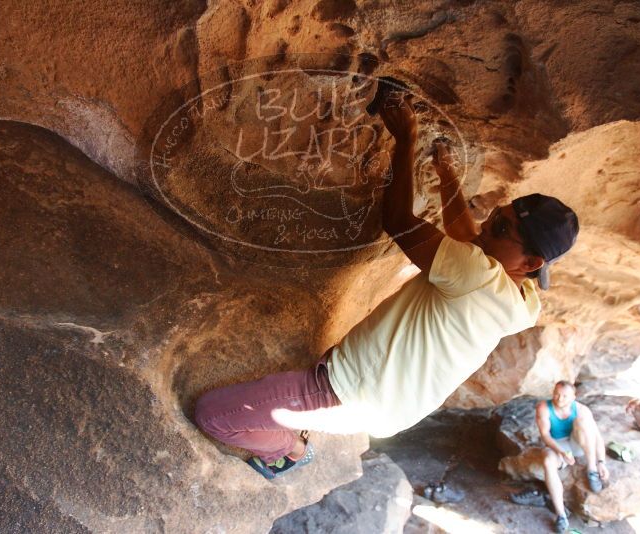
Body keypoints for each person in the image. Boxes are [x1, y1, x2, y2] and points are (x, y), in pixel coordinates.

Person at [194, 88, 580, 480]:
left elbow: (398, 221)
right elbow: (468, 237)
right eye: (495, 214)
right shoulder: (524, 298)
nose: (485, 226)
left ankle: (290, 449)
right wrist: (446, 175)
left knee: (214, 416)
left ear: (531, 262)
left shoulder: (478, 276)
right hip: (386, 404)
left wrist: (406, 140)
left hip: (340, 393)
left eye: (499, 226)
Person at [512, 381, 610, 533]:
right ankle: (561, 515)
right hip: (557, 445)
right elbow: (545, 435)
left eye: (565, 396)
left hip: (577, 443)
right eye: (557, 394)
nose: (560, 399)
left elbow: (596, 437)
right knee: (547, 461)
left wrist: (601, 462)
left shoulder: (582, 410)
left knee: (583, 423)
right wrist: (561, 452)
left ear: (573, 397)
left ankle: (591, 470)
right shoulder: (544, 407)